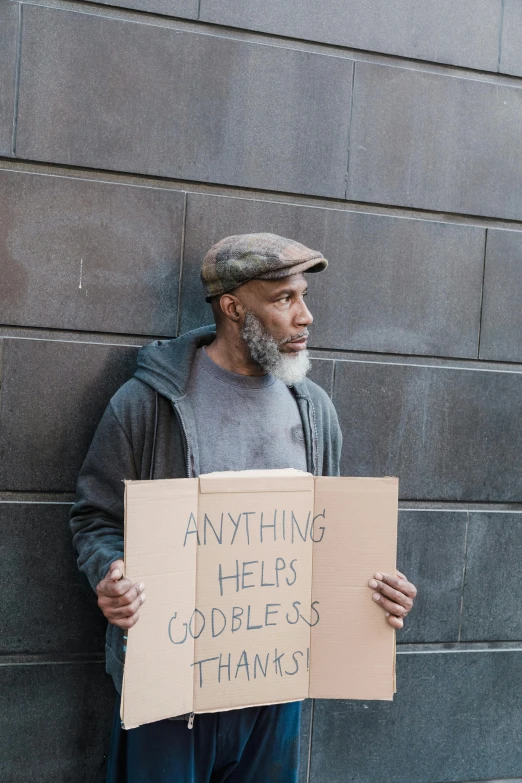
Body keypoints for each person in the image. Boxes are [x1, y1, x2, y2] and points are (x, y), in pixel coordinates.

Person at [70, 233, 417, 783]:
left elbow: (328, 542)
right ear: (233, 308)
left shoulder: (314, 409)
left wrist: (377, 592)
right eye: (284, 299)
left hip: (276, 686)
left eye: (303, 296)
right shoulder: (148, 402)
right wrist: (110, 575)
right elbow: (95, 519)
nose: (305, 317)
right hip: (169, 690)